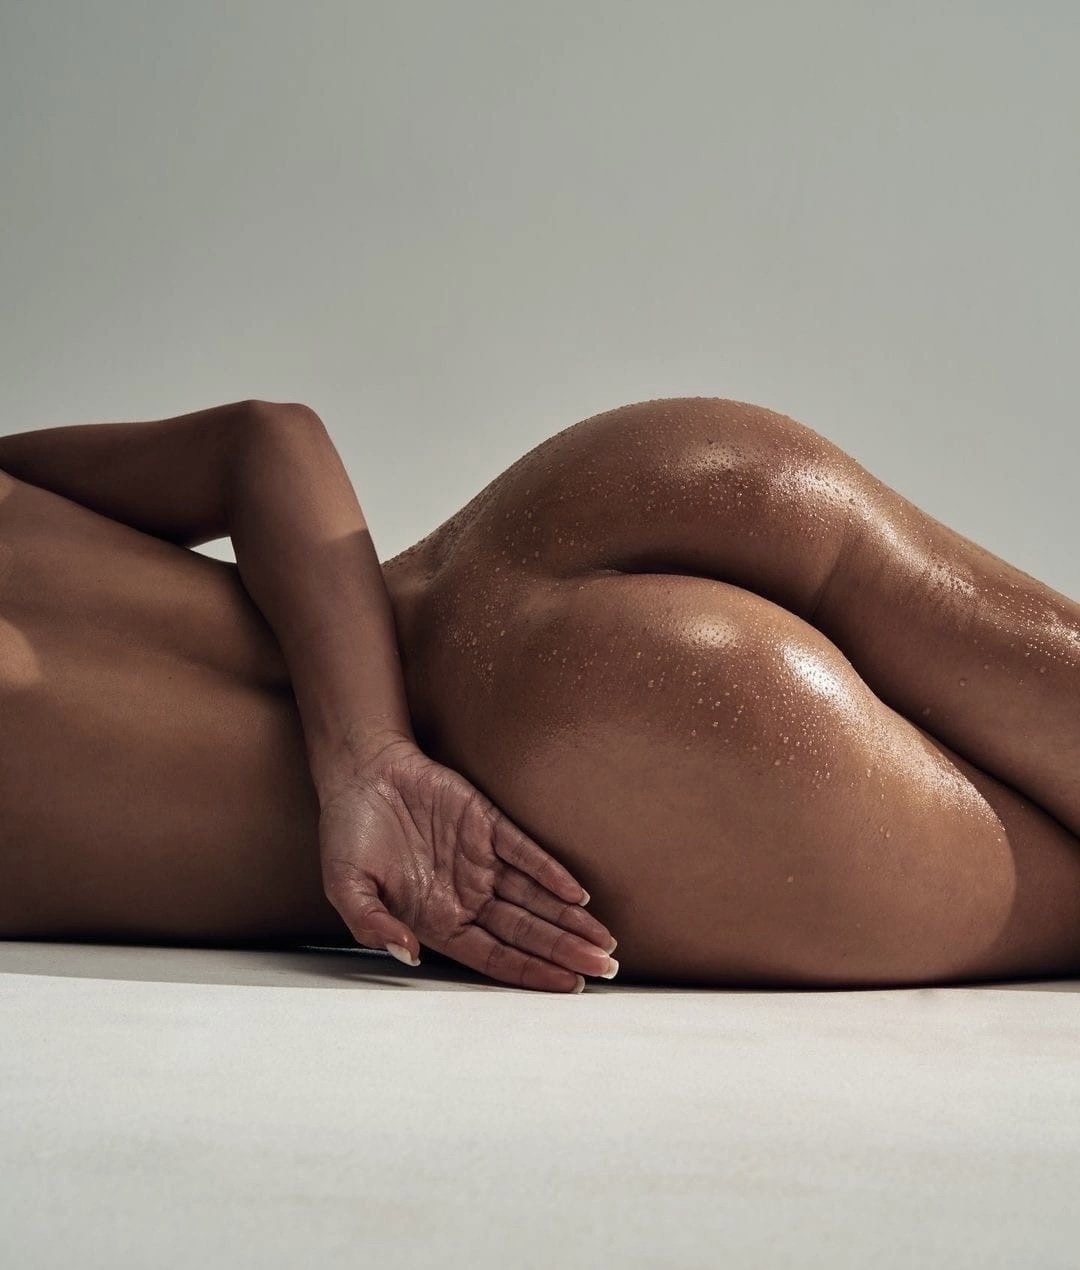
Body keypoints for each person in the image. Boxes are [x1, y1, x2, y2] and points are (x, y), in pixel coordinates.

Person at [1, 396, 1077, 992]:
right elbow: (266, 439)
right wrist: (363, 742)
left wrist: (376, 770)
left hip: (570, 774)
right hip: (573, 507)